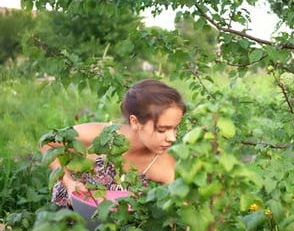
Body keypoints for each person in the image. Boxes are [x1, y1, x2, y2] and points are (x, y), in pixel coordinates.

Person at [41, 79, 186, 208]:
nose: (172, 138)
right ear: (135, 122)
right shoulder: (102, 137)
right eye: (162, 129)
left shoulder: (162, 163)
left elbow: (183, 209)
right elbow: (47, 142)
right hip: (68, 221)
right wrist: (68, 182)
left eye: (175, 128)